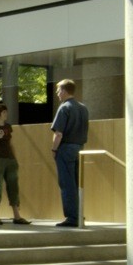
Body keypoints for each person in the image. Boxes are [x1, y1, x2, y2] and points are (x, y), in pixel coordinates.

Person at [50, 78, 89, 228]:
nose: (57, 94)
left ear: (65, 91)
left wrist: (54, 149)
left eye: (59, 90)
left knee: (67, 184)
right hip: (80, 148)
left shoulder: (64, 107)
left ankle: (72, 217)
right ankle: (79, 215)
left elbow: (58, 133)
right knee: (77, 184)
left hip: (65, 149)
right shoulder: (83, 108)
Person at [0, 102, 27, 225]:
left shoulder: (8, 127)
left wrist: (15, 159)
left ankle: (17, 215)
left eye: (6, 111)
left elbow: (11, 144)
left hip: (10, 160)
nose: (6, 114)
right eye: (4, 112)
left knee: (13, 186)